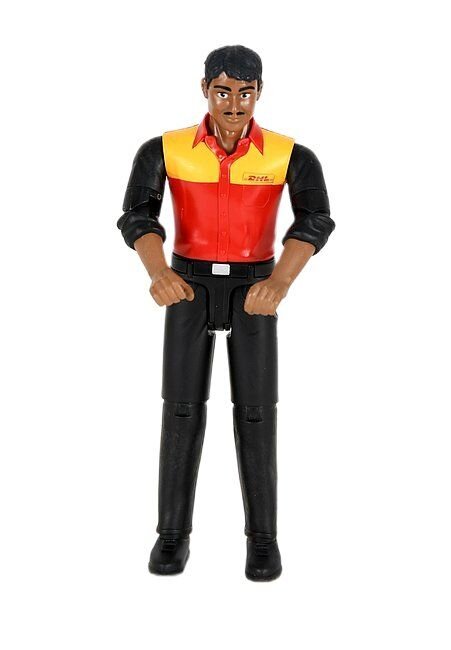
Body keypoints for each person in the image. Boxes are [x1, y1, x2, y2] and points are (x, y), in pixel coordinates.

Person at [117, 45, 335, 581]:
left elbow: (315, 219)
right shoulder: (163, 149)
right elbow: (137, 214)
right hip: (187, 283)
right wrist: (158, 272)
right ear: (204, 90)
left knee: (257, 411)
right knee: (180, 409)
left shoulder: (290, 154)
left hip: (254, 284)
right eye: (222, 92)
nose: (233, 105)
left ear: (259, 93)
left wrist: (279, 281)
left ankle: (263, 539)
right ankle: (172, 535)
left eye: (244, 93)